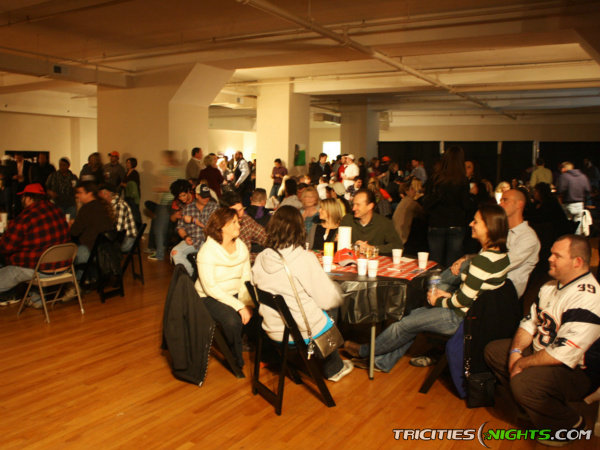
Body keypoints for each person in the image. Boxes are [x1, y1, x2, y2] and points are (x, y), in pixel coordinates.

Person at [345, 204, 511, 373]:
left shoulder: (483, 261)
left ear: (489, 227)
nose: (470, 224)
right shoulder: (501, 256)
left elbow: (463, 300)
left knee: (405, 323)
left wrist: (438, 300)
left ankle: (364, 351)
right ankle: (381, 362)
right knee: (413, 318)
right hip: (474, 315)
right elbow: (476, 294)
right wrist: (448, 294)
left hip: (460, 318)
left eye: (476, 221)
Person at [484, 235, 600, 443]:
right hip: (545, 352)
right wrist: (515, 352)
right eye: (551, 254)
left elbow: (562, 354)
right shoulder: (549, 286)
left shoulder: (588, 297)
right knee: (495, 351)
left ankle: (570, 425)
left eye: (557, 255)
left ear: (577, 262)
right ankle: (532, 406)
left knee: (523, 381)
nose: (550, 258)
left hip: (578, 370)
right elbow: (528, 324)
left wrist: (521, 364)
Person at [252, 206, 354, 382]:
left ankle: (294, 359)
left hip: (271, 328)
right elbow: (328, 300)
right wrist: (337, 292)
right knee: (332, 305)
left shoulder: (262, 257)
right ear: (300, 229)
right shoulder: (304, 258)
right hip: (300, 334)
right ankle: (333, 368)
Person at [196, 207, 254, 369]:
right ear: (221, 226)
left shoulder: (241, 247)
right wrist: (239, 306)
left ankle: (263, 355)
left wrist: (247, 303)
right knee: (232, 321)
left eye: (237, 222)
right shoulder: (207, 252)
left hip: (233, 293)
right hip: (208, 297)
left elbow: (245, 278)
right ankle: (236, 360)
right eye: (233, 222)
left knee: (260, 311)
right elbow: (210, 288)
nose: (238, 225)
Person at [0, 184, 69, 306]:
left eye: (23, 197)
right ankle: (36, 298)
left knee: (13, 261)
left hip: (39, 270)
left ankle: (11, 295)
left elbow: (6, 248)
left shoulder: (24, 218)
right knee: (35, 253)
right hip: (63, 267)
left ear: (28, 198)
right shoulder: (56, 210)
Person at [422, 145, 470, 267]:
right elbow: (465, 204)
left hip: (436, 222)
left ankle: (434, 280)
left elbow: (426, 201)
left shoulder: (435, 178)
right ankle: (449, 280)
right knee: (453, 264)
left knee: (435, 262)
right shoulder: (463, 180)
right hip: (456, 222)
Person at [170, 184, 218, 277]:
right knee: (175, 252)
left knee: (208, 259)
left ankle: (203, 277)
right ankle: (190, 275)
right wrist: (185, 237)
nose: (206, 199)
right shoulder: (187, 208)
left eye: (207, 196)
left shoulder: (214, 207)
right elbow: (180, 227)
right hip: (193, 240)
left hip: (209, 241)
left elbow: (208, 225)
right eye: (203, 197)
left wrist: (193, 220)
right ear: (196, 195)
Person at [339, 188, 403, 254]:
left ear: (370, 206)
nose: (353, 208)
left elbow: (398, 246)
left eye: (358, 205)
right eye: (353, 204)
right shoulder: (347, 219)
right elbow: (336, 241)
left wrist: (372, 248)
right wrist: (354, 246)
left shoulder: (384, 223)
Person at [70, 181, 115, 269]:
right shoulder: (103, 206)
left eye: (80, 192)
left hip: (91, 251)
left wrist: (71, 225)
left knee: (63, 256)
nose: (77, 195)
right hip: (107, 250)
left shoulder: (86, 209)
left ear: (89, 194)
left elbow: (74, 232)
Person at [220, 191, 267, 257]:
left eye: (241, 209)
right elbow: (234, 258)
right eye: (235, 211)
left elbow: (264, 236)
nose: (239, 214)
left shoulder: (245, 220)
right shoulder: (219, 228)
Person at [99, 186, 138, 253]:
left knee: (99, 247)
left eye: (100, 192)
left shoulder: (119, 205)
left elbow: (118, 230)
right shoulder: (112, 204)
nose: (98, 195)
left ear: (108, 193)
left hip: (127, 241)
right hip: (124, 239)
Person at [556, 161, 590, 235]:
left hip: (567, 204)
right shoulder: (583, 176)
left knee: (567, 225)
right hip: (579, 204)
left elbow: (560, 190)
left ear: (563, 169)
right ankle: (576, 240)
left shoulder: (564, 176)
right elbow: (588, 190)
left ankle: (568, 239)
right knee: (578, 225)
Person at [121, 157, 141, 227]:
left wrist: (125, 184)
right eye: (127, 163)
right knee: (127, 212)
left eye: (129, 163)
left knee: (135, 211)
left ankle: (138, 227)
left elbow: (134, 185)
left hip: (133, 196)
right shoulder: (126, 173)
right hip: (127, 194)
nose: (127, 164)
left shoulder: (135, 173)